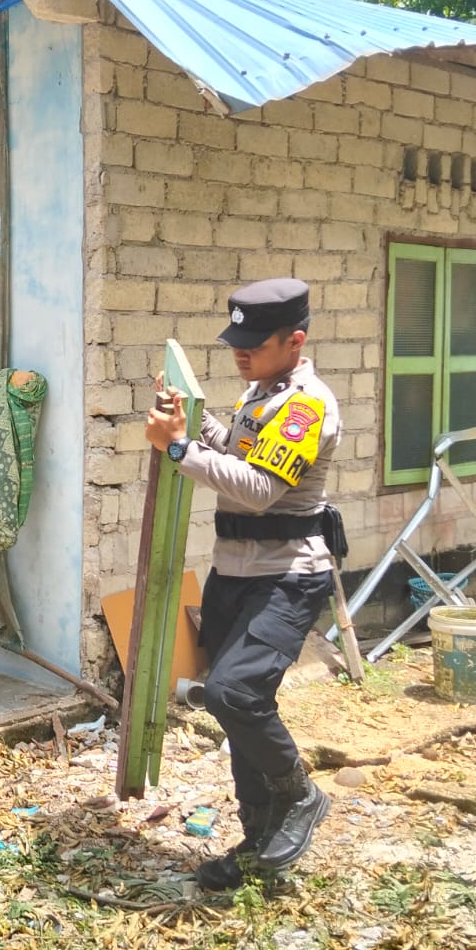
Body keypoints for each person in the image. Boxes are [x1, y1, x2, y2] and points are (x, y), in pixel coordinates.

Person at [144, 277, 346, 890]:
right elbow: (237, 458)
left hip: (287, 576)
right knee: (238, 709)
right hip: (233, 573)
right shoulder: (262, 393)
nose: (241, 352)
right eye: (237, 340)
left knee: (232, 694)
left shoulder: (306, 406)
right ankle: (260, 842)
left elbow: (260, 490)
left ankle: (300, 795)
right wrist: (193, 429)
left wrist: (179, 451)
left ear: (295, 341)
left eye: (255, 342)